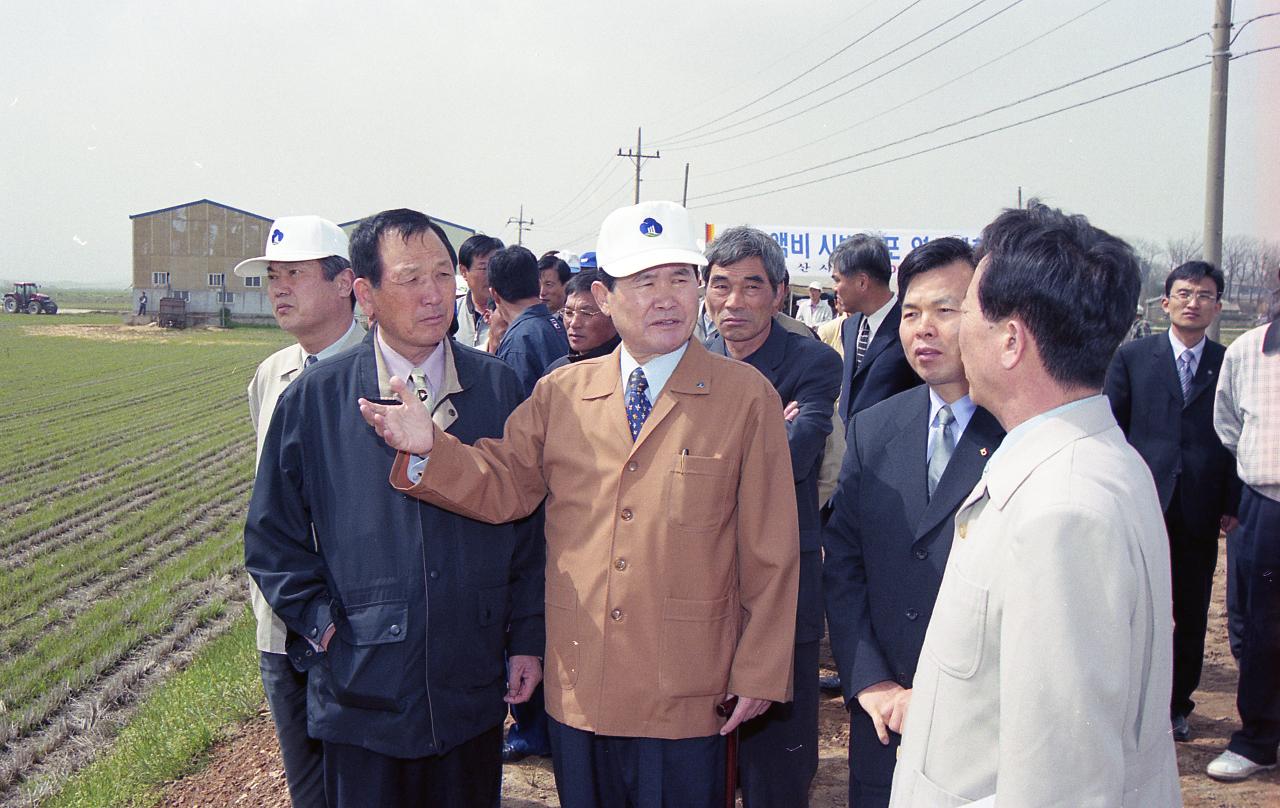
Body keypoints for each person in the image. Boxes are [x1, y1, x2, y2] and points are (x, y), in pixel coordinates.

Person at [359, 200, 800, 808]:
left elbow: (772, 549)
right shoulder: (562, 394)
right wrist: (430, 448)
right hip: (581, 683)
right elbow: (502, 481)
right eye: (645, 283)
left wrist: (758, 669)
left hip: (687, 687)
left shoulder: (746, 398)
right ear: (605, 295)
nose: (666, 298)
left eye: (680, 279)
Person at [244, 208, 544, 808]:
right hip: (362, 692)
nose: (434, 295)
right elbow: (272, 539)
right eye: (410, 279)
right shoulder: (314, 400)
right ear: (366, 294)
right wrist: (325, 628)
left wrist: (527, 636)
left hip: (469, 684)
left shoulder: (499, 388)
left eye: (442, 275)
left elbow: (530, 526)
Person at [888, 202, 1181, 807]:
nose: (951, 328)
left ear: (1011, 341)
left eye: (964, 311)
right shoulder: (1084, 462)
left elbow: (1062, 785)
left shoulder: (1062, 511)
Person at [823, 237, 1002, 808]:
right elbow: (845, 562)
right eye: (910, 312)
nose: (923, 328)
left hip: (983, 726)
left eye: (945, 310)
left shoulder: (1020, 433)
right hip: (884, 721)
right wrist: (870, 679)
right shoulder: (875, 428)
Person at [703, 226, 841, 808]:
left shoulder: (812, 360)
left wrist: (709, 453)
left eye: (751, 287)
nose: (733, 303)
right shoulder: (690, 359)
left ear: (780, 293)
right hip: (701, 574)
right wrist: (764, 432)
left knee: (776, 764)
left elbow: (793, 457)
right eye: (721, 286)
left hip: (783, 574)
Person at [234, 214, 366, 808]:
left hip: (359, 631)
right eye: (272, 277)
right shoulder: (272, 376)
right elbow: (270, 509)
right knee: (308, 790)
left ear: (345, 283)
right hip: (281, 625)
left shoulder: (384, 371)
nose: (279, 288)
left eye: (295, 273)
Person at [1105, 261, 1240, 743]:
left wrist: (1231, 500)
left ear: (1217, 306)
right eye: (1184, 293)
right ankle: (1126, 701)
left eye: (1205, 295)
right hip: (1142, 501)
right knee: (1132, 604)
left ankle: (1176, 705)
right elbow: (1113, 429)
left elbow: (1237, 437)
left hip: (1200, 509)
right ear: (1165, 303)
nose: (1193, 302)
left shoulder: (1229, 363)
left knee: (1190, 609)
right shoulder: (1134, 358)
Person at [1208, 300, 1280, 782]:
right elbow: (1228, 426)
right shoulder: (1249, 351)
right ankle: (1257, 741)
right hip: (1267, 503)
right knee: (1262, 630)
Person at [833, 234, 919, 430]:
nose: (834, 288)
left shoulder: (909, 324)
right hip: (850, 444)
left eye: (837, 280)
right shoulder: (850, 326)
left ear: (862, 282)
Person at [489, 245, 569, 396]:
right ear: (538, 284)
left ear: (494, 294)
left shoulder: (519, 341)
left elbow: (514, 408)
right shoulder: (558, 325)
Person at [547, 268, 621, 371]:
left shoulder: (628, 371)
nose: (574, 323)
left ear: (613, 313)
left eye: (586, 313)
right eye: (568, 313)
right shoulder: (556, 373)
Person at [455, 234, 504, 350]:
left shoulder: (510, 316)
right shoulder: (451, 312)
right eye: (484, 268)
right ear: (464, 271)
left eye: (496, 267)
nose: (491, 275)